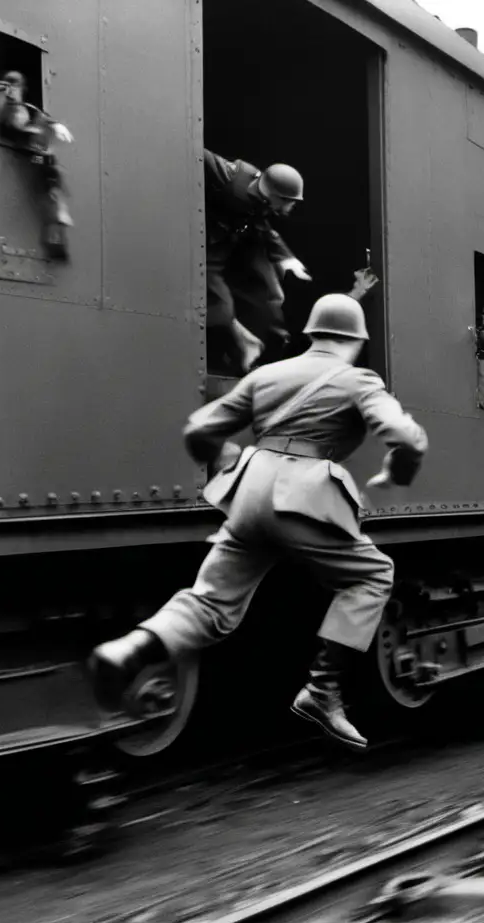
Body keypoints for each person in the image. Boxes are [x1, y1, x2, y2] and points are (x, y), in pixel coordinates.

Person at [87, 293, 428, 751]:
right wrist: (396, 473)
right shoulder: (359, 380)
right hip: (307, 498)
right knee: (373, 575)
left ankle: (128, 650)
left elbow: (198, 431)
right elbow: (405, 438)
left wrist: (230, 464)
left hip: (248, 496)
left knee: (210, 602)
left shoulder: (266, 374)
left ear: (311, 334)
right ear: (355, 341)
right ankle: (322, 691)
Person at [203, 150, 315, 375]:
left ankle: (270, 348)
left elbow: (264, 229)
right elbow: (198, 153)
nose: (290, 209)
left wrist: (285, 258)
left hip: (243, 242)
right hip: (214, 244)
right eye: (289, 203)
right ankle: (243, 345)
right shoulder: (231, 177)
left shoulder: (264, 202)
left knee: (273, 294)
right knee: (220, 309)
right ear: (276, 196)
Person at [0, 70, 74, 260]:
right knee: (45, 162)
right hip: (29, 154)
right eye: (8, 85)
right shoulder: (6, 110)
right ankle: (58, 210)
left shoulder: (27, 108)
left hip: (37, 157)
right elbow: (10, 129)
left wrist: (56, 125)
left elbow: (41, 116)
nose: (11, 90)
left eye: (15, 85)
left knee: (48, 163)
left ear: (22, 88)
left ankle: (58, 209)